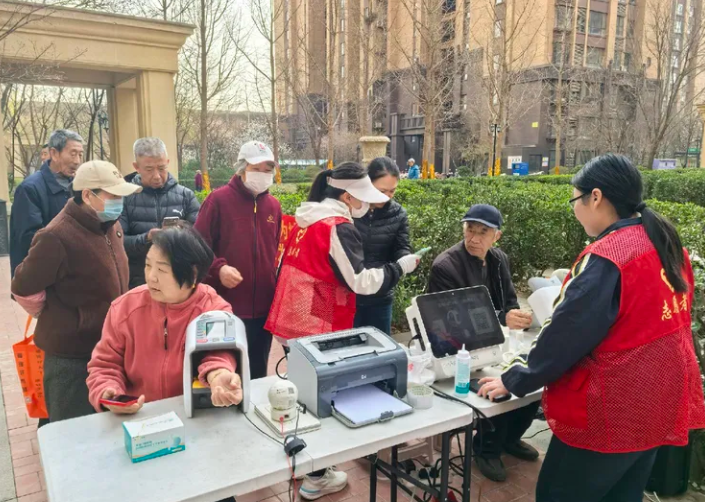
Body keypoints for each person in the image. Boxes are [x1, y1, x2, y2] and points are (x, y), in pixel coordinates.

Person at [478, 154, 705, 502]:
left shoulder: (608, 257)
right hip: (658, 402)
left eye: (575, 201)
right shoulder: (666, 244)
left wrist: (515, 378)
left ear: (595, 197)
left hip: (611, 412)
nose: (575, 211)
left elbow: (564, 336)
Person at [266, 162, 421, 500]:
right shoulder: (336, 226)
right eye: (364, 196)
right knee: (318, 398)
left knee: (301, 394)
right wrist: (400, 267)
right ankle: (317, 476)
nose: (368, 203)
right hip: (315, 322)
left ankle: (303, 462)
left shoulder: (307, 217)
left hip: (291, 316)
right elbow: (361, 281)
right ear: (348, 196)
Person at [11, 160, 141, 424]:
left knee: (106, 427)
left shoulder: (111, 225)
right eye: (113, 196)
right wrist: (61, 316)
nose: (120, 202)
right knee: (72, 429)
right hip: (72, 356)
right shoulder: (56, 236)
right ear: (88, 195)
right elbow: (22, 287)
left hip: (108, 346)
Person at [427, 204, 538, 482]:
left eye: (482, 232)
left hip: (495, 339)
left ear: (496, 236)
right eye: (469, 230)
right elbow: (452, 317)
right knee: (498, 384)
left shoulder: (499, 259)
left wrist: (517, 316)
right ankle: (485, 449)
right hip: (457, 345)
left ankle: (510, 438)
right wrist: (502, 318)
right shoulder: (446, 265)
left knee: (531, 378)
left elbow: (509, 300)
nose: (474, 238)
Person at [87, 224, 242, 416]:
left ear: (193, 274)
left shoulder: (213, 309)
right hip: (138, 415)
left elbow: (218, 352)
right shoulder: (125, 308)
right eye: (148, 265)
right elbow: (105, 365)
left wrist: (217, 374)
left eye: (162, 270)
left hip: (191, 414)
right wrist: (108, 391)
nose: (151, 277)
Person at [195, 141, 282, 380]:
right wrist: (218, 268)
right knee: (225, 373)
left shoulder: (273, 206)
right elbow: (197, 245)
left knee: (257, 372)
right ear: (242, 169)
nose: (262, 174)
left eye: (267, 169)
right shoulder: (218, 201)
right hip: (226, 307)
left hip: (263, 309)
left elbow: (273, 251)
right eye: (256, 168)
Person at [120, 137, 200, 289]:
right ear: (136, 167)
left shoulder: (186, 196)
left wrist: (180, 233)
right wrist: (147, 238)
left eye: (162, 168)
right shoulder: (124, 198)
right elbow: (118, 242)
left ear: (168, 162)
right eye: (149, 169)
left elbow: (201, 236)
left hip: (178, 281)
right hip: (139, 283)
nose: (157, 176)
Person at [10, 129, 84, 278]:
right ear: (54, 154)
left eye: (80, 155)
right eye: (73, 154)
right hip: (42, 276)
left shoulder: (78, 185)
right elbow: (30, 238)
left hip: (71, 273)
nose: (77, 161)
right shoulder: (29, 189)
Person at [353, 157, 411, 335]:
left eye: (392, 191)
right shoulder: (350, 208)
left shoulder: (398, 214)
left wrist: (406, 258)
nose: (387, 196)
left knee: (380, 346)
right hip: (348, 296)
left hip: (381, 295)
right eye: (381, 191)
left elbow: (401, 246)